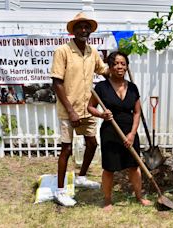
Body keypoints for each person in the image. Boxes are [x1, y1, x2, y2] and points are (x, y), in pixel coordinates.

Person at [51, 12, 110, 207]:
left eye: (87, 27)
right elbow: (57, 83)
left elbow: (103, 70)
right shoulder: (63, 51)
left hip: (87, 108)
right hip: (69, 109)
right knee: (66, 149)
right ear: (73, 30)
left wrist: (120, 62)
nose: (83, 30)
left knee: (92, 143)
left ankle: (81, 177)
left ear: (91, 30)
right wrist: (71, 111)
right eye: (79, 27)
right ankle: (60, 192)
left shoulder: (92, 51)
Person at [88, 51, 152, 211]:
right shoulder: (101, 88)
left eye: (123, 63)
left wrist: (132, 134)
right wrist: (101, 114)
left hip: (129, 131)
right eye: (116, 63)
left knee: (134, 167)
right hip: (110, 131)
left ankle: (139, 196)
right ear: (110, 67)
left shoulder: (132, 88)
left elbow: (137, 112)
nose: (119, 67)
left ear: (127, 66)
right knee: (109, 168)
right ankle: (108, 200)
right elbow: (90, 107)